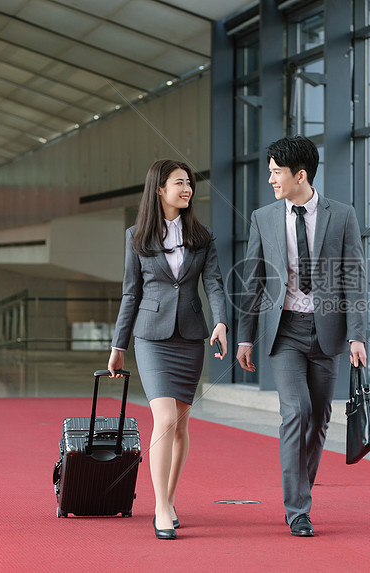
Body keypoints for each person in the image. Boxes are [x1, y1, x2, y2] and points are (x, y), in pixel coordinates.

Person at [236, 135, 367, 537]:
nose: (271, 180)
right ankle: (298, 510)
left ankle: (298, 492)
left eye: (276, 173)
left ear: (300, 175)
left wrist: (357, 335)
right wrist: (245, 337)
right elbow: (253, 280)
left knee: (320, 417)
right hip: (285, 332)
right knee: (296, 411)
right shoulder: (264, 217)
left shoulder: (341, 215)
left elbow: (355, 278)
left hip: (327, 333)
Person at [108, 159, 228, 541]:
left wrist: (222, 322)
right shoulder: (136, 236)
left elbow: (215, 284)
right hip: (151, 337)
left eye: (189, 183)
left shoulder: (202, 235)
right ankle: (160, 506)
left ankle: (170, 497)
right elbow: (131, 294)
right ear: (159, 188)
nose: (187, 188)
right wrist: (118, 345)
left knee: (180, 425)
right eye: (179, 183)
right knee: (163, 420)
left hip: (190, 336)